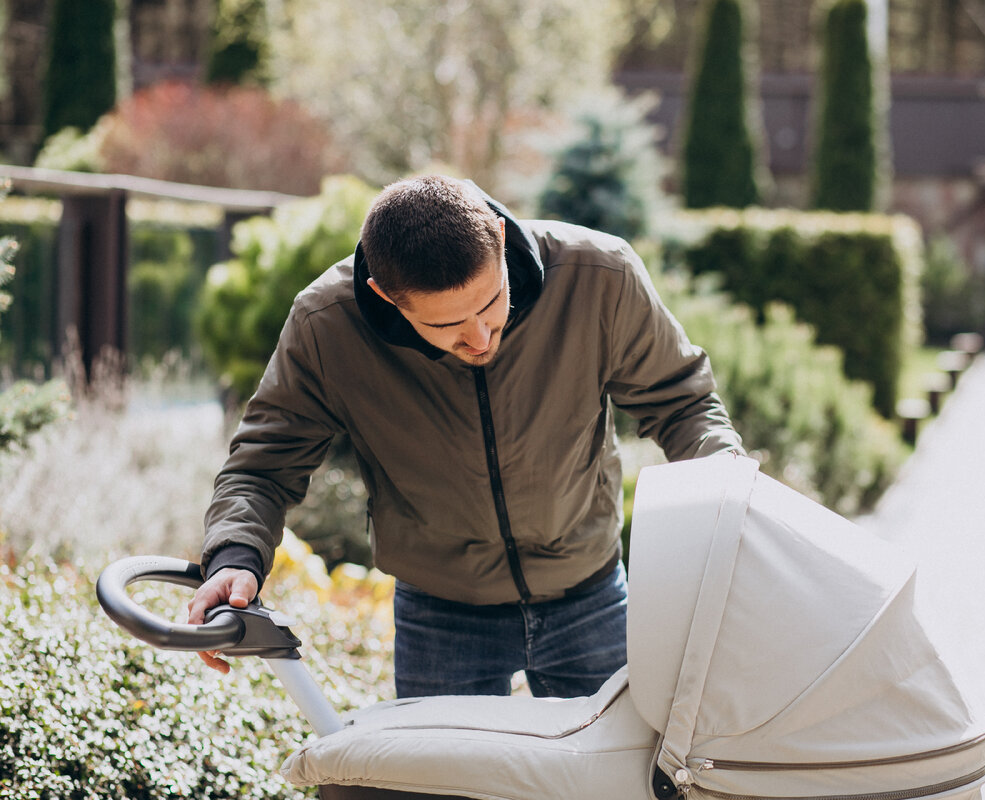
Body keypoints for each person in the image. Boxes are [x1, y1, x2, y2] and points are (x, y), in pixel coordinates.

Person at [187, 175, 743, 698]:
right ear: (385, 296)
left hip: (589, 593)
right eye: (446, 325)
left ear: (499, 240)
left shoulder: (600, 275)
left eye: (489, 302)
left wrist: (734, 497)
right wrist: (236, 556)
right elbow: (263, 467)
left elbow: (683, 402)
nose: (479, 336)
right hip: (441, 614)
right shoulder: (327, 324)